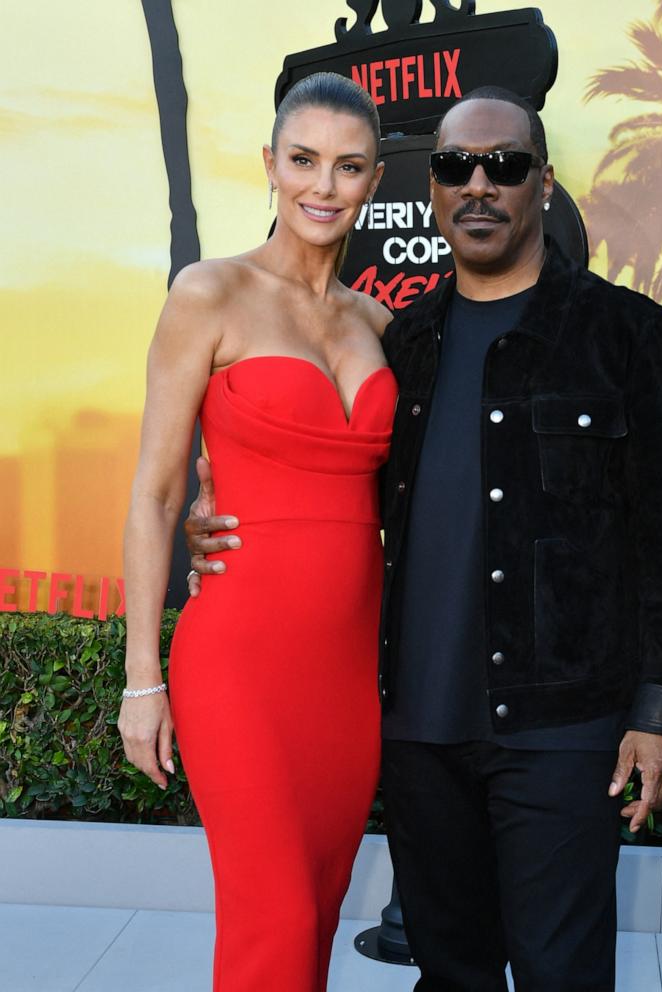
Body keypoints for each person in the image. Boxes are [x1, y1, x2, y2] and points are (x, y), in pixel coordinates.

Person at [185, 86, 662, 992]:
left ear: (541, 185)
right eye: (455, 167)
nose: (479, 185)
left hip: (562, 728)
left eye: (504, 166)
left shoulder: (625, 335)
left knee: (561, 974)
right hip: (417, 731)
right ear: (431, 189)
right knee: (450, 972)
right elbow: (320, 466)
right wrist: (213, 509)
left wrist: (658, 717)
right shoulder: (403, 341)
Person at [118, 72, 394, 992]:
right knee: (273, 916)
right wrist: (140, 682)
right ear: (270, 165)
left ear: (372, 178)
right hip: (237, 658)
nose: (323, 186)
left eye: (347, 167)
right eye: (305, 160)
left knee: (315, 910)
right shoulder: (210, 292)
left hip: (348, 677)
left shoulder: (381, 324)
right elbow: (158, 494)